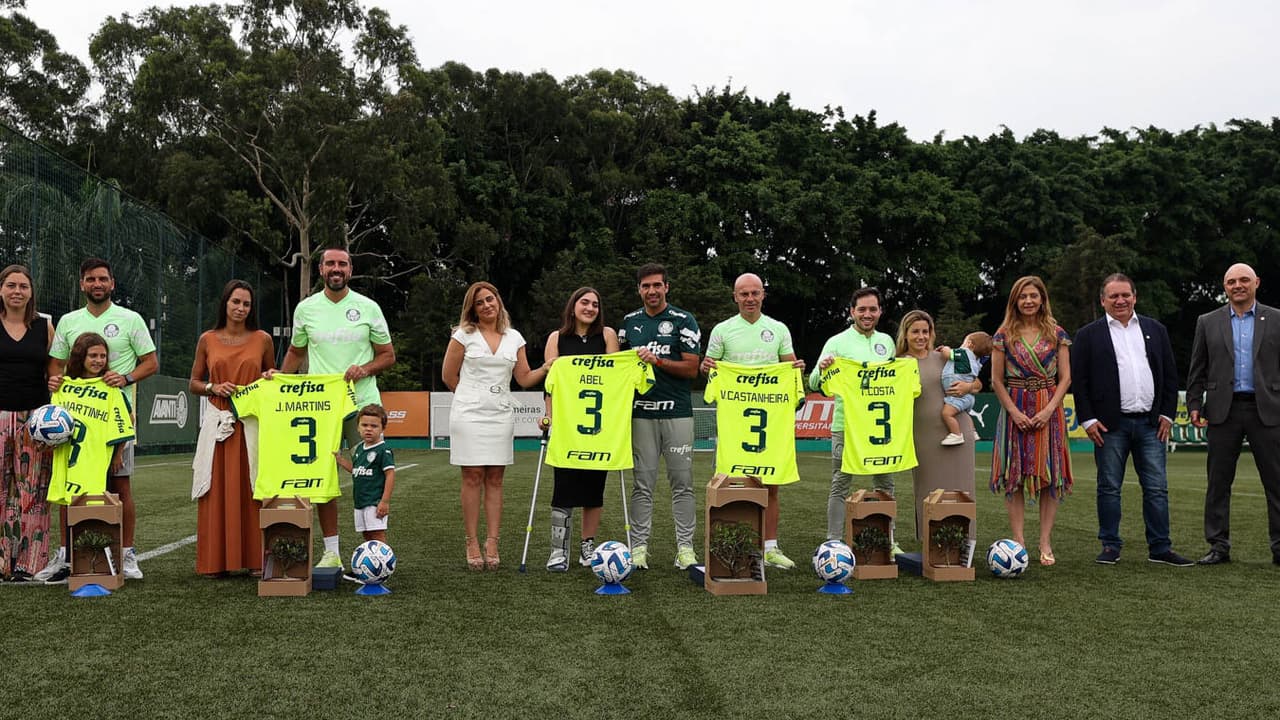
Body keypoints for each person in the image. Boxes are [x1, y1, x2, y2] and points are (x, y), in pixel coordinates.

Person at [39, 258, 157, 582]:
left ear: (112, 283)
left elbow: (151, 362)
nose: (97, 284)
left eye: (102, 279)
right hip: (74, 423)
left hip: (117, 419)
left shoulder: (130, 319)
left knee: (120, 485)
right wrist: (54, 382)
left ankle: (128, 554)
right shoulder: (68, 321)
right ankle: (66, 555)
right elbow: (55, 364)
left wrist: (127, 378)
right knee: (69, 486)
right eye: (91, 279)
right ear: (82, 284)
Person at [277, 247, 395, 571]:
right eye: (330, 263)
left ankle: (374, 550)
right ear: (321, 269)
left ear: (351, 269)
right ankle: (332, 552)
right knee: (323, 477)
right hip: (321, 406)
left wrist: (366, 369)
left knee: (368, 476)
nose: (336, 268)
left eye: (342, 263)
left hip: (362, 405)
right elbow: (296, 352)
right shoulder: (306, 309)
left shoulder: (368, 308)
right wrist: (278, 379)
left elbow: (388, 355)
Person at [1072, 273, 1192, 567]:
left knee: (1156, 488)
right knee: (1109, 486)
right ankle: (1111, 546)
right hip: (1110, 425)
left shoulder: (1156, 329)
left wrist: (1166, 413)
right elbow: (1080, 380)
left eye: (1125, 294)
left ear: (1134, 297)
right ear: (1103, 301)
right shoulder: (1088, 334)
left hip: (1151, 424)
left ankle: (1160, 548)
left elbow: (1169, 374)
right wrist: (1087, 419)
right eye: (1113, 296)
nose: (1120, 300)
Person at [442, 281, 549, 570]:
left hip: (501, 414)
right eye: (480, 302)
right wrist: (471, 399)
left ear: (498, 301)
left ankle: (492, 541)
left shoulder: (515, 337)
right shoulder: (463, 335)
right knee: (472, 476)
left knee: (496, 478)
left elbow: (524, 378)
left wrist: (548, 367)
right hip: (469, 414)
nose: (487, 305)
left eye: (490, 299)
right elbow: (449, 376)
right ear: (472, 309)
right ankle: (472, 540)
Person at [701, 272, 804, 569]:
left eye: (754, 293)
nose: (749, 299)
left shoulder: (778, 329)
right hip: (735, 420)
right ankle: (734, 544)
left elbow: (789, 368)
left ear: (763, 295)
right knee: (731, 482)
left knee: (770, 483)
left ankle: (770, 546)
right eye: (743, 294)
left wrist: (795, 368)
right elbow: (709, 370)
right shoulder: (722, 330)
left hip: (769, 418)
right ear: (735, 297)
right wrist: (706, 367)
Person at [1186, 262, 1280, 565]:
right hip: (1222, 410)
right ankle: (1218, 545)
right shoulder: (1207, 321)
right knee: (1218, 482)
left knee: (1276, 482)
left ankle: (1279, 546)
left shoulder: (1277, 319)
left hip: (1267, 409)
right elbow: (1197, 368)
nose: (1237, 285)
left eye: (1243, 280)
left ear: (1256, 283)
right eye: (1230, 281)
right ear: (1224, 287)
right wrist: (1194, 404)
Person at [617, 263, 702, 570]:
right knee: (643, 484)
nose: (651, 291)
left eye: (657, 285)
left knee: (682, 482)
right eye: (645, 286)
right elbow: (619, 367)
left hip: (677, 412)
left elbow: (692, 368)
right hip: (641, 415)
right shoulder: (629, 323)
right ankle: (638, 548)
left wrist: (657, 361)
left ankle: (685, 549)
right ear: (638, 289)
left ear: (667, 287)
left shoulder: (682, 319)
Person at [189, 280, 275, 576]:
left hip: (251, 424)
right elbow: (194, 383)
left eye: (246, 304)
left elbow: (271, 378)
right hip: (218, 425)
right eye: (235, 302)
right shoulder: (207, 339)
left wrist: (270, 377)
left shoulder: (263, 339)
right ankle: (215, 561)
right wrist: (214, 386)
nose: (240, 308)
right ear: (225, 303)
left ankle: (254, 559)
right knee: (214, 489)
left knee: (253, 487)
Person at [990, 275, 1073, 566]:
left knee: (1050, 474)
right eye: (1023, 296)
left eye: (1033, 296)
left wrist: (1049, 409)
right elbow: (996, 380)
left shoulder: (1056, 333)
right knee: (1014, 474)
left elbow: (1065, 378)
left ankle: (1045, 541)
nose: (1028, 301)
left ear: (1042, 299)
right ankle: (1019, 542)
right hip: (1014, 407)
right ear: (1015, 300)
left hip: (1047, 408)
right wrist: (1013, 411)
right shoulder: (1003, 334)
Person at [810, 287, 898, 545]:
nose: (867, 314)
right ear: (852, 312)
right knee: (840, 484)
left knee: (885, 483)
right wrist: (824, 368)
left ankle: (887, 540)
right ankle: (834, 542)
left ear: (880, 312)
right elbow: (815, 381)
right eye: (862, 309)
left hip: (879, 427)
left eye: (872, 309)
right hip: (845, 425)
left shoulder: (887, 342)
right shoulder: (836, 343)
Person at [541, 287, 620, 571]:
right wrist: (548, 416)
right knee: (564, 487)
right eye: (584, 302)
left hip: (599, 427)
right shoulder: (556, 338)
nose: (590, 308)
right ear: (573, 305)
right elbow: (551, 383)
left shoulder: (607, 335)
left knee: (593, 490)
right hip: (567, 426)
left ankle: (587, 547)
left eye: (595, 304)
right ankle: (558, 550)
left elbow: (615, 376)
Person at [896, 310, 980, 545]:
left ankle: (964, 545)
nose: (921, 336)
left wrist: (967, 386)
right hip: (923, 436)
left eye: (925, 331)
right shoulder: (899, 364)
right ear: (906, 334)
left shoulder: (946, 357)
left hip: (957, 433)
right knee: (928, 491)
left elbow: (979, 382)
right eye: (915, 332)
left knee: (962, 490)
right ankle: (933, 547)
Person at [0, 265, 54, 582]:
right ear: (1, 289)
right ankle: (3, 562)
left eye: (23, 286)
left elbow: (55, 371)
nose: (17, 291)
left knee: (32, 492)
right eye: (11, 285)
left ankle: (30, 562)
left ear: (31, 292)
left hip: (35, 420)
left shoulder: (44, 326)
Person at [333, 404, 396, 544]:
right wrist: (340, 460)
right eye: (364, 425)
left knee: (377, 534)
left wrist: (384, 501)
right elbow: (356, 470)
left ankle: (383, 563)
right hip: (360, 501)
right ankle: (373, 563)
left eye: (374, 426)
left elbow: (390, 475)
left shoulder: (383, 450)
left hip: (374, 501)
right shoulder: (360, 448)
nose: (368, 429)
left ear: (382, 429)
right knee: (366, 534)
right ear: (358, 427)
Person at [939, 331, 992, 446]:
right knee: (966, 415)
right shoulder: (977, 362)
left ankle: (956, 434)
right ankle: (972, 432)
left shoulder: (964, 353)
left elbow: (947, 353)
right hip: (968, 397)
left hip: (958, 396)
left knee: (946, 414)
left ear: (969, 344)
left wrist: (945, 348)